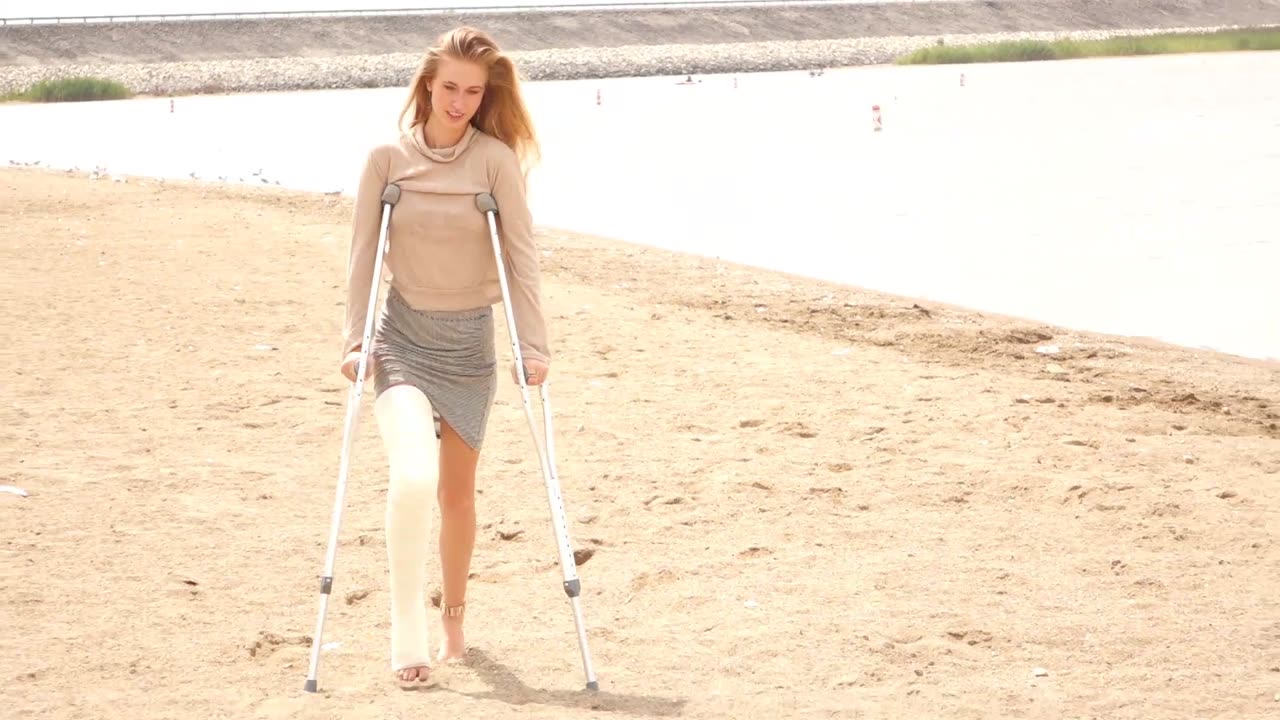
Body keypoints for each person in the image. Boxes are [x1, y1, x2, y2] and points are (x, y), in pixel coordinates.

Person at [338, 26, 550, 686]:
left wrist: (533, 346)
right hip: (402, 343)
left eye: (473, 92)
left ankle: (454, 618)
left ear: (486, 96)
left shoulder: (494, 162)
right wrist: (354, 338)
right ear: (428, 83)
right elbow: (362, 256)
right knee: (412, 478)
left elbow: (521, 257)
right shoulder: (385, 160)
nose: (459, 101)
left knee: (457, 498)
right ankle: (409, 637)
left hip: (469, 348)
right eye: (450, 87)